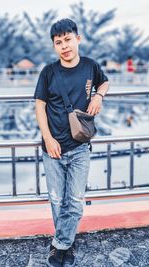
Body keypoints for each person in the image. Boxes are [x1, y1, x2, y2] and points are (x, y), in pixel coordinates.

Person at [34, 18, 109, 267]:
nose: (64, 45)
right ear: (54, 46)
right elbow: (39, 106)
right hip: (52, 148)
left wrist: (99, 94)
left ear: (78, 38)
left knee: (75, 200)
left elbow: (105, 81)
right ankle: (66, 242)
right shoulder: (48, 72)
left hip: (80, 147)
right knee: (57, 199)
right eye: (58, 42)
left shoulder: (90, 66)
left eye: (68, 39)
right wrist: (47, 137)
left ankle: (60, 246)